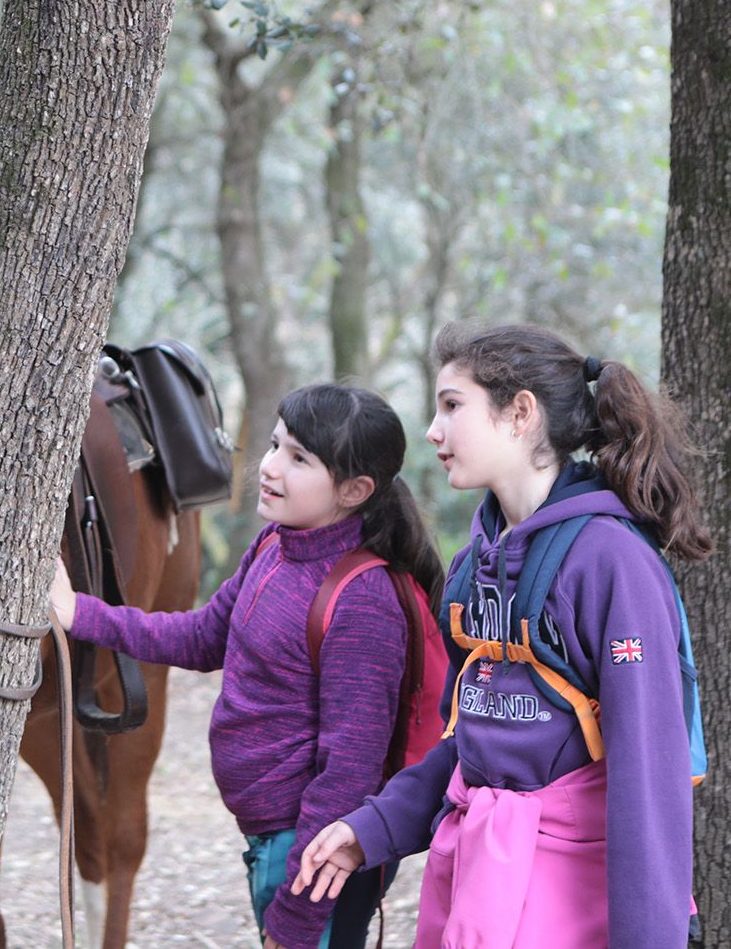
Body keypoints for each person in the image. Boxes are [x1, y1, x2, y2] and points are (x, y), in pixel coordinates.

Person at [292, 323, 712, 948]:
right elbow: (467, 745)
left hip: (570, 904)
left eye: (452, 406)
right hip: (473, 882)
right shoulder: (471, 567)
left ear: (520, 413)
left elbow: (648, 781)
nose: (433, 431)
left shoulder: (612, 563)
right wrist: (374, 828)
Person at [50, 383, 445, 949]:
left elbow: (348, 775)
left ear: (355, 489)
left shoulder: (362, 601)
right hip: (273, 841)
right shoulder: (274, 546)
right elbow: (204, 637)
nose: (270, 467)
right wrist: (79, 614)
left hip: (310, 855)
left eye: (300, 459)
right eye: (275, 445)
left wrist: (299, 912)